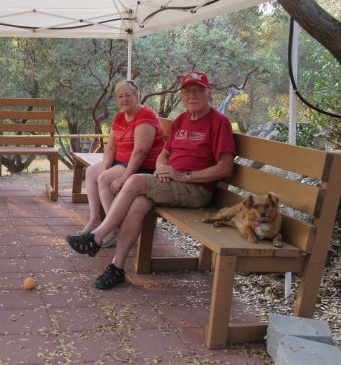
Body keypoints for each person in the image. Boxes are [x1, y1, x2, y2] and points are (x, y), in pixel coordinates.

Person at [65, 70, 236, 290]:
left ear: (209, 94)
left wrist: (184, 175)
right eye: (187, 92)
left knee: (135, 182)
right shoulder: (182, 120)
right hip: (170, 183)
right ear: (182, 96)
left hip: (195, 188)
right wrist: (161, 167)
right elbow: (164, 153)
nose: (191, 96)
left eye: (197, 91)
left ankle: (97, 237)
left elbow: (225, 168)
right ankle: (117, 268)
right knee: (137, 206)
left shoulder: (219, 122)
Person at [82, 79, 165, 248]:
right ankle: (95, 220)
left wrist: (124, 178)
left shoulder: (146, 115)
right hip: (121, 161)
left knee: (104, 179)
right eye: (120, 96)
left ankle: (112, 229)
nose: (124, 99)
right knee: (91, 172)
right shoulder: (120, 116)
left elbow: (140, 152)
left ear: (137, 96)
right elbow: (111, 146)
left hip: (143, 166)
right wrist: (105, 167)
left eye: (128, 95)